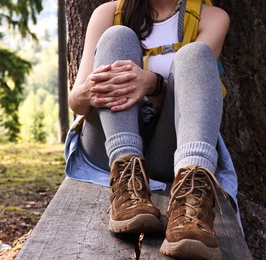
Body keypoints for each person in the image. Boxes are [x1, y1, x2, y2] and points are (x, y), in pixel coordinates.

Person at [64, 0, 239, 259]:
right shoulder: (108, 13)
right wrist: (91, 89)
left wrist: (152, 84)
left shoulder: (212, 18)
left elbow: (195, 96)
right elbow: (76, 102)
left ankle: (191, 203)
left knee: (197, 54)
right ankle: (127, 187)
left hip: (170, 150)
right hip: (107, 146)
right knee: (117, 36)